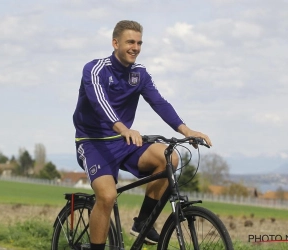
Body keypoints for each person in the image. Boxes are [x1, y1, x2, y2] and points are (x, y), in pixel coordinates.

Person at [73, 20, 212, 250]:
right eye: (130, 42)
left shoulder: (140, 74)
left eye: (139, 43)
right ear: (115, 43)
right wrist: (123, 128)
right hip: (93, 143)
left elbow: (159, 102)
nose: (135, 47)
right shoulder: (95, 69)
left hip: (123, 142)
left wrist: (186, 131)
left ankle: (143, 222)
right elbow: (100, 104)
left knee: (169, 158)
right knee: (107, 197)